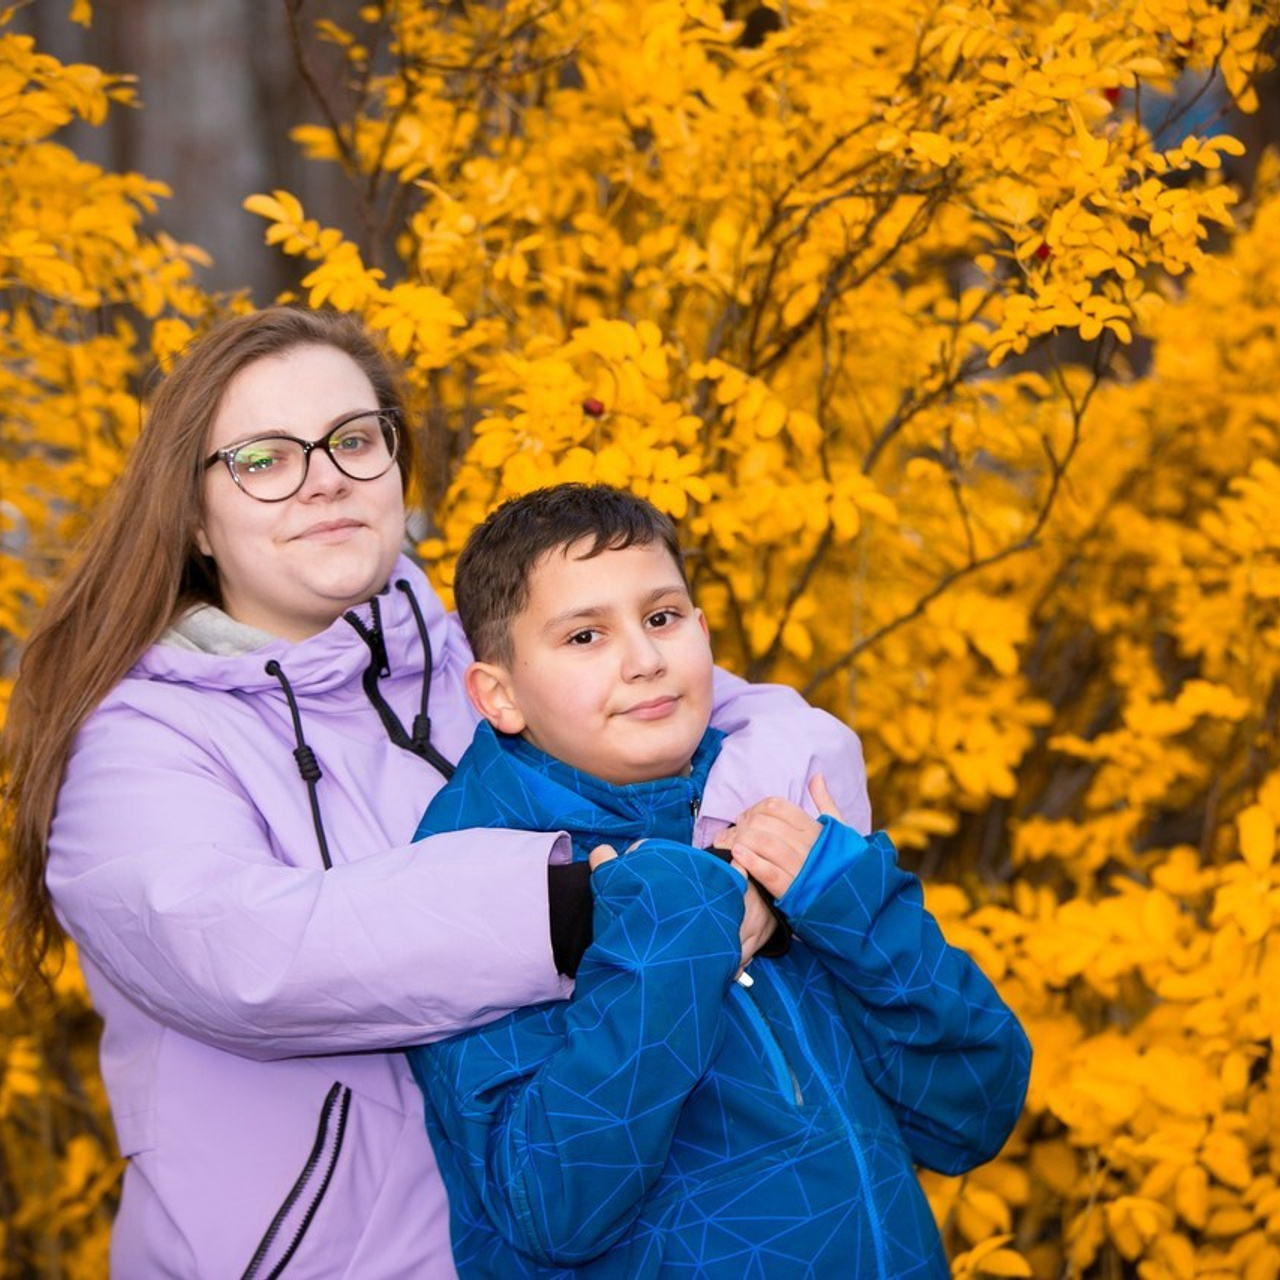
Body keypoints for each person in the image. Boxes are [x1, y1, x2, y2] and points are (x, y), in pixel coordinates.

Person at [0, 308, 873, 1278]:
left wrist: (736, 866)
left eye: (354, 439)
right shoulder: (141, 744)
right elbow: (245, 952)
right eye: (263, 457)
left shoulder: (481, 650)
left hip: (559, 1239)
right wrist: (578, 904)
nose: (324, 475)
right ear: (196, 515)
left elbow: (775, 728)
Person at [408, 483, 1032, 1278]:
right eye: (586, 636)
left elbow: (972, 1114)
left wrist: (848, 899)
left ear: (703, 633)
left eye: (661, 618)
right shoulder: (477, 879)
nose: (644, 660)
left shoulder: (771, 804)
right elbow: (551, 1210)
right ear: (498, 695)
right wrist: (671, 931)